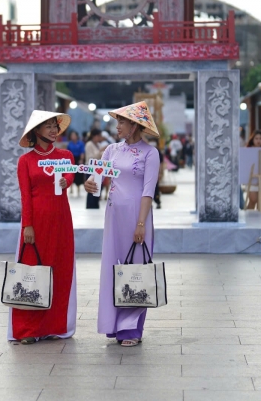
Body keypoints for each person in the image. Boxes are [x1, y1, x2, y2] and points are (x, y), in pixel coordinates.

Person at [86, 101, 161, 348]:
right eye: (117, 121)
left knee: (136, 269)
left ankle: (131, 328)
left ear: (135, 125)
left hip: (137, 217)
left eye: (122, 121)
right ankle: (114, 324)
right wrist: (90, 183)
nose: (117, 126)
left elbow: (148, 192)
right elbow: (97, 176)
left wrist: (141, 223)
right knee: (113, 267)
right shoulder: (111, 150)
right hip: (113, 215)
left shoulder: (150, 153)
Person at [10, 111, 77, 344]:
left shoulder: (65, 155)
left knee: (59, 271)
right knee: (32, 273)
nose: (52, 130)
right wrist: (27, 225)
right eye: (47, 126)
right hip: (36, 222)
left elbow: (70, 176)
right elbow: (25, 197)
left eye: (54, 126)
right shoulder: (25, 161)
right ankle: (27, 330)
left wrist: (65, 181)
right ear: (36, 132)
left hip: (61, 222)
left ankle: (53, 326)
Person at [244, 131, 261, 210]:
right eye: (256, 138)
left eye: (260, 138)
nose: (258, 141)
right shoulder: (247, 150)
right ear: (252, 139)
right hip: (251, 178)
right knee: (253, 200)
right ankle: (249, 219)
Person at [84, 130, 104, 209]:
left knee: (98, 188)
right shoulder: (89, 144)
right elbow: (90, 158)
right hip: (90, 169)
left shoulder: (98, 144)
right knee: (91, 188)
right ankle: (90, 206)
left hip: (98, 170)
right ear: (94, 136)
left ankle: (96, 204)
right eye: (98, 136)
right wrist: (100, 151)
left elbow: (102, 157)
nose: (99, 138)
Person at [66, 130, 86, 196]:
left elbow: (82, 152)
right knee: (71, 172)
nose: (73, 137)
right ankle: (71, 188)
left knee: (78, 174)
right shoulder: (70, 143)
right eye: (72, 135)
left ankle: (78, 190)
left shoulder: (80, 143)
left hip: (78, 159)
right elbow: (67, 152)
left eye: (74, 135)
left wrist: (81, 159)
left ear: (77, 136)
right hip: (71, 159)